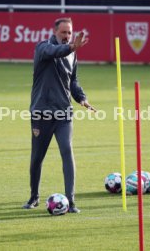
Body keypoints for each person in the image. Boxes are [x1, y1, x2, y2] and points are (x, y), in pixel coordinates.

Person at [23, 17, 96, 213]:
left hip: (64, 113)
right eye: (63, 32)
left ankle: (71, 202)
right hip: (42, 113)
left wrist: (81, 97)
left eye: (69, 33)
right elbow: (56, 51)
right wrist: (72, 47)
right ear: (55, 32)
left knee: (67, 150)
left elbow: (73, 80)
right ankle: (33, 197)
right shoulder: (43, 47)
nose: (67, 36)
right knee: (37, 158)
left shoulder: (72, 53)